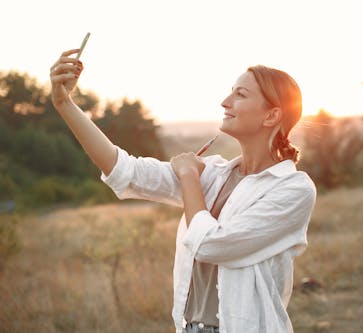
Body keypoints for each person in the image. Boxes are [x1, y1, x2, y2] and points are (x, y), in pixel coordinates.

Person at [50, 49, 316, 333]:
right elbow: (124, 170)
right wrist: (64, 103)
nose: (225, 102)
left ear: (271, 115)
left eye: (240, 95)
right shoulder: (213, 173)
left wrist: (189, 176)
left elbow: (212, 245)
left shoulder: (293, 189)